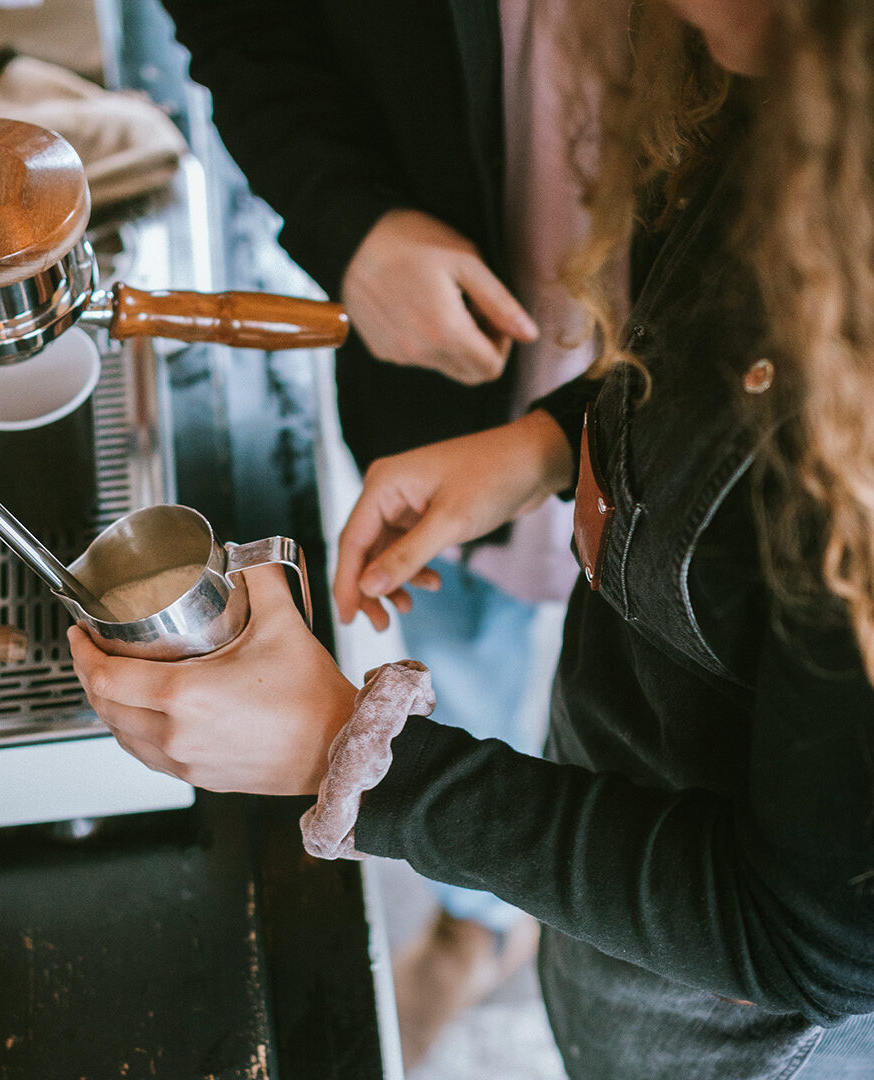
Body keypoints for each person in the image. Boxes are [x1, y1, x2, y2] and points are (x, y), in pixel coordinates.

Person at [69, 1, 874, 1077]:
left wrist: (353, 760)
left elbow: (815, 941)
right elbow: (722, 353)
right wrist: (548, 442)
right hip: (623, 939)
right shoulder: (796, 111)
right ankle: (482, 935)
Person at [154, 0, 600, 1062]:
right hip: (449, 397)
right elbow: (243, 26)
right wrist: (350, 222)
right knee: (465, 652)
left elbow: (788, 919)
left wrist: (344, 758)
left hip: (701, 431)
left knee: (642, 724)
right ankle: (477, 924)